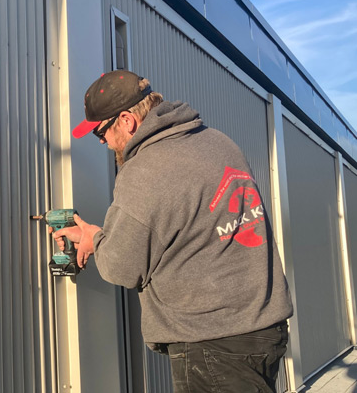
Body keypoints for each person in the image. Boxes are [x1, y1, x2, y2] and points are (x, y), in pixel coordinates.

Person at [53, 70, 294, 393]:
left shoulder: (145, 170)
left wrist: (96, 239)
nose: (102, 142)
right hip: (264, 330)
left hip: (213, 345)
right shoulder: (217, 142)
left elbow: (121, 267)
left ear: (126, 120)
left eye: (101, 131)